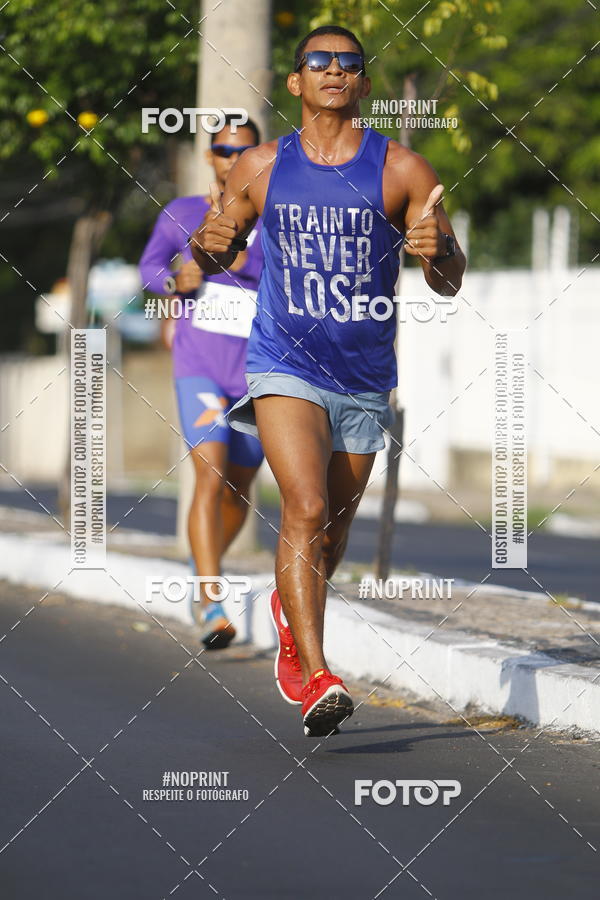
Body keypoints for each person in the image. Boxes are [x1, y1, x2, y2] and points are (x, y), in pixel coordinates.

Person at [191, 26, 466, 733]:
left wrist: (439, 253)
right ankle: (317, 675)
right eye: (320, 61)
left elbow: (447, 279)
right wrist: (207, 245)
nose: (335, 71)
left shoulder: (402, 168)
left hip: (365, 374)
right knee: (305, 507)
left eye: (349, 63)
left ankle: (291, 610)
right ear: (296, 82)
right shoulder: (259, 165)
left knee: (334, 529)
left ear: (365, 84)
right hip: (284, 360)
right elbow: (215, 255)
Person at [139, 115, 265, 649]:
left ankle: (201, 566)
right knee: (210, 476)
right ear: (209, 157)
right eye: (222, 150)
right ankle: (210, 600)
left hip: (259, 372)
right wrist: (175, 279)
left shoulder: (276, 220)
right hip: (201, 367)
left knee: (239, 489)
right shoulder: (184, 213)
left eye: (244, 150)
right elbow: (148, 269)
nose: (233, 159)